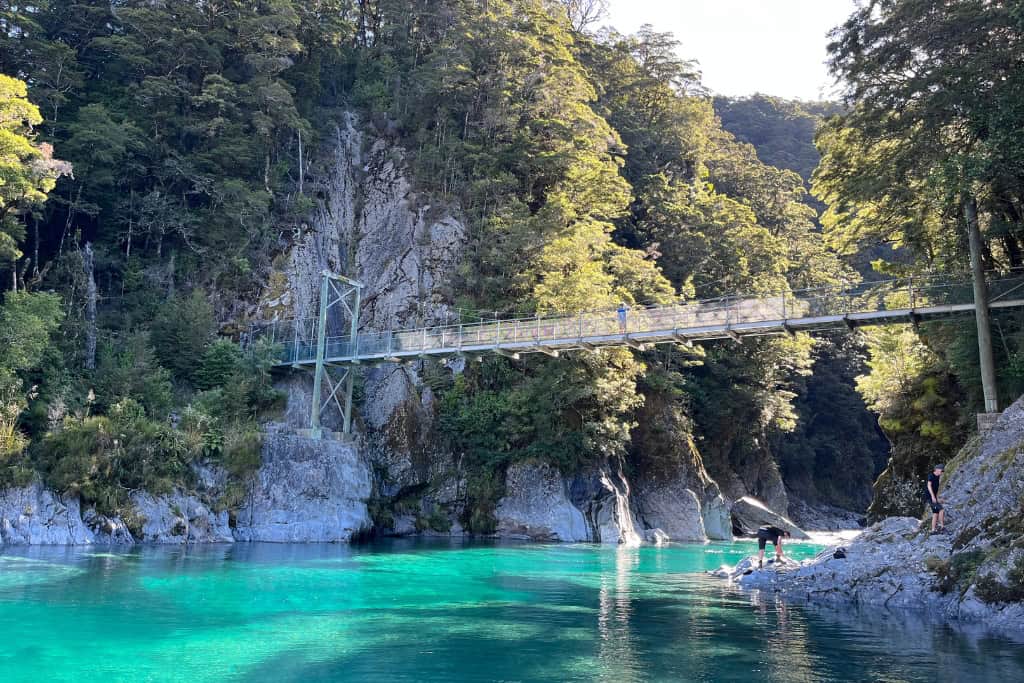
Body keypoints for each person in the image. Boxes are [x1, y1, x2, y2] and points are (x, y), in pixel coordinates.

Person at [927, 464, 946, 533]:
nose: (942, 472)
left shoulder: (938, 477)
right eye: (941, 471)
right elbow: (929, 486)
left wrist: (937, 499)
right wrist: (932, 496)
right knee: (941, 510)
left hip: (933, 497)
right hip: (929, 497)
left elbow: (935, 490)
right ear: (937, 469)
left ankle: (933, 530)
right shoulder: (931, 475)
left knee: (935, 513)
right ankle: (942, 526)